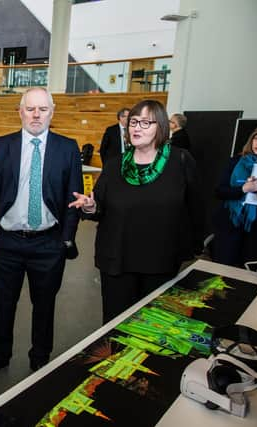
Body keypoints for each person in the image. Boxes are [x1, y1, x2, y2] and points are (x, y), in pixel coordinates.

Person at [0, 88, 82, 380]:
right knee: (2, 304)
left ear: (52, 111)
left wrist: (66, 239)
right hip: (7, 242)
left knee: (45, 304)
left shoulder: (68, 147)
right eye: (30, 109)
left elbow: (73, 197)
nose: (36, 115)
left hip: (49, 243)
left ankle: (40, 358)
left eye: (43, 109)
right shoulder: (2, 146)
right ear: (20, 111)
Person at [69, 100, 203, 324]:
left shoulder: (180, 161)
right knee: (116, 324)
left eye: (145, 122)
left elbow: (196, 208)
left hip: (160, 262)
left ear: (160, 127)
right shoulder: (115, 165)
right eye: (133, 122)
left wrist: (191, 248)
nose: (136, 127)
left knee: (152, 326)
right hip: (117, 261)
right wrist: (91, 207)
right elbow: (99, 206)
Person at [211, 123, 257, 266]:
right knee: (222, 267)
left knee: (250, 270)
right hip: (230, 222)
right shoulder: (235, 161)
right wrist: (243, 189)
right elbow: (219, 191)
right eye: (256, 138)